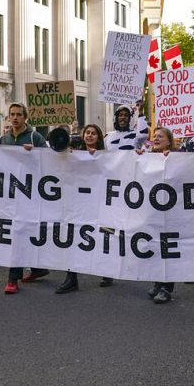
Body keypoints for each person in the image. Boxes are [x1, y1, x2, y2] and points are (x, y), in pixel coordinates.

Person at [0, 103, 50, 294]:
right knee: (18, 233)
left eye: (19, 114)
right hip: (10, 195)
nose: (15, 117)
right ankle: (37, 268)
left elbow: (49, 160)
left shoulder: (35, 137)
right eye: (12, 114)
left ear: (25, 117)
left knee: (19, 233)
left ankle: (13, 278)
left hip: (30, 194)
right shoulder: (4, 138)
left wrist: (36, 152)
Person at [55, 123, 112, 294]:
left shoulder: (108, 156)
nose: (90, 136)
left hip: (99, 202)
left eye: (94, 133)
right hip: (78, 203)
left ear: (99, 137)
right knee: (74, 235)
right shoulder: (73, 154)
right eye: (87, 133)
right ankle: (71, 277)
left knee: (102, 236)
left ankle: (107, 271)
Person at [144, 127, 177, 304]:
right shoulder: (148, 158)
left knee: (167, 248)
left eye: (160, 136)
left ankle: (167, 287)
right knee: (156, 247)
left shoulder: (177, 158)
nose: (156, 138)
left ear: (169, 141)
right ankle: (158, 282)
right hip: (153, 210)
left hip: (171, 211)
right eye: (154, 136)